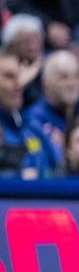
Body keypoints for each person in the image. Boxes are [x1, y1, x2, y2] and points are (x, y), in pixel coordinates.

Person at [0, 45, 54, 179]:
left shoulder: (33, 126)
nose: (19, 84)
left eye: (19, 76)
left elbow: (56, 171)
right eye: (9, 76)